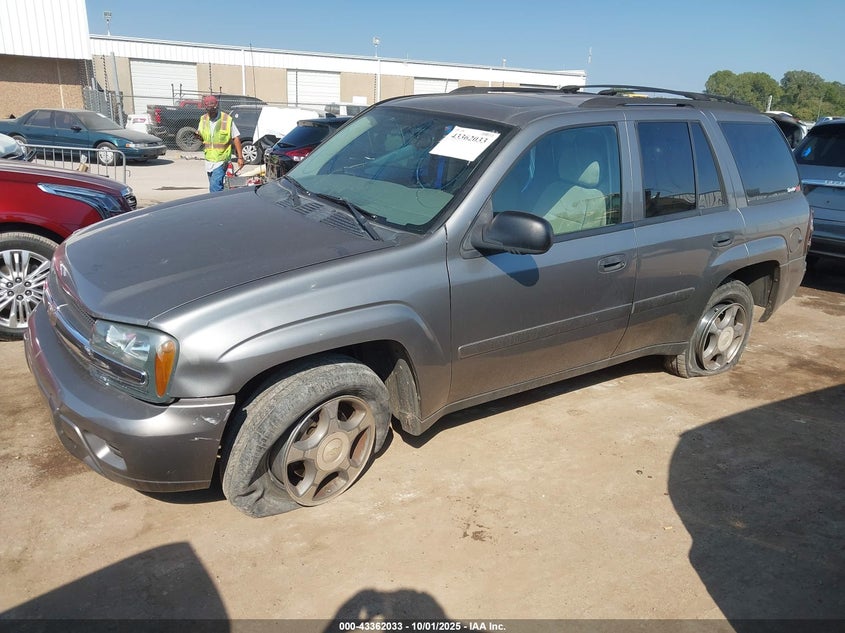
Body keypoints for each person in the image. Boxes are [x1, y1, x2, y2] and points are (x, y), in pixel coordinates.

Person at [194, 95, 244, 192]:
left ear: (216, 107)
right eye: (208, 110)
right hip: (209, 160)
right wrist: (197, 136)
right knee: (216, 185)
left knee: (214, 187)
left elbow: (236, 138)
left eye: (212, 110)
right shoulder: (203, 119)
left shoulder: (226, 119)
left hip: (221, 160)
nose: (210, 112)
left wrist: (240, 157)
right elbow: (201, 134)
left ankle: (215, 205)